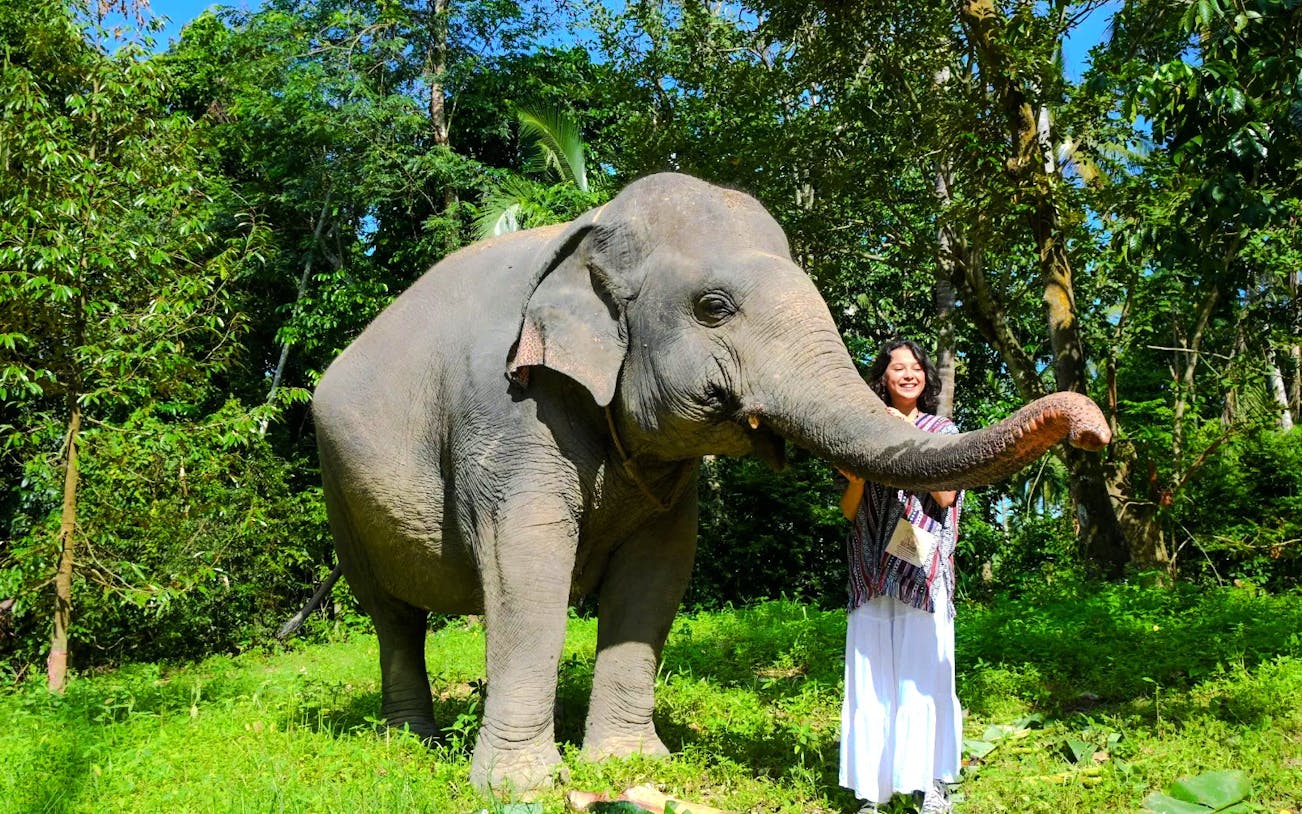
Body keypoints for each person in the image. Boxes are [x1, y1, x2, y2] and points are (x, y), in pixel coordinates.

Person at [837, 339, 964, 814]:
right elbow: (851, 511)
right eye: (897, 369)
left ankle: (931, 785)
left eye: (915, 368)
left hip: (923, 568)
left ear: (925, 378)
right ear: (883, 379)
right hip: (871, 566)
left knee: (924, 673)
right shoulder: (863, 430)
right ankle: (873, 791)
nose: (908, 375)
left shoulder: (943, 429)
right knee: (872, 677)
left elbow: (949, 497)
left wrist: (904, 440)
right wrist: (859, 473)